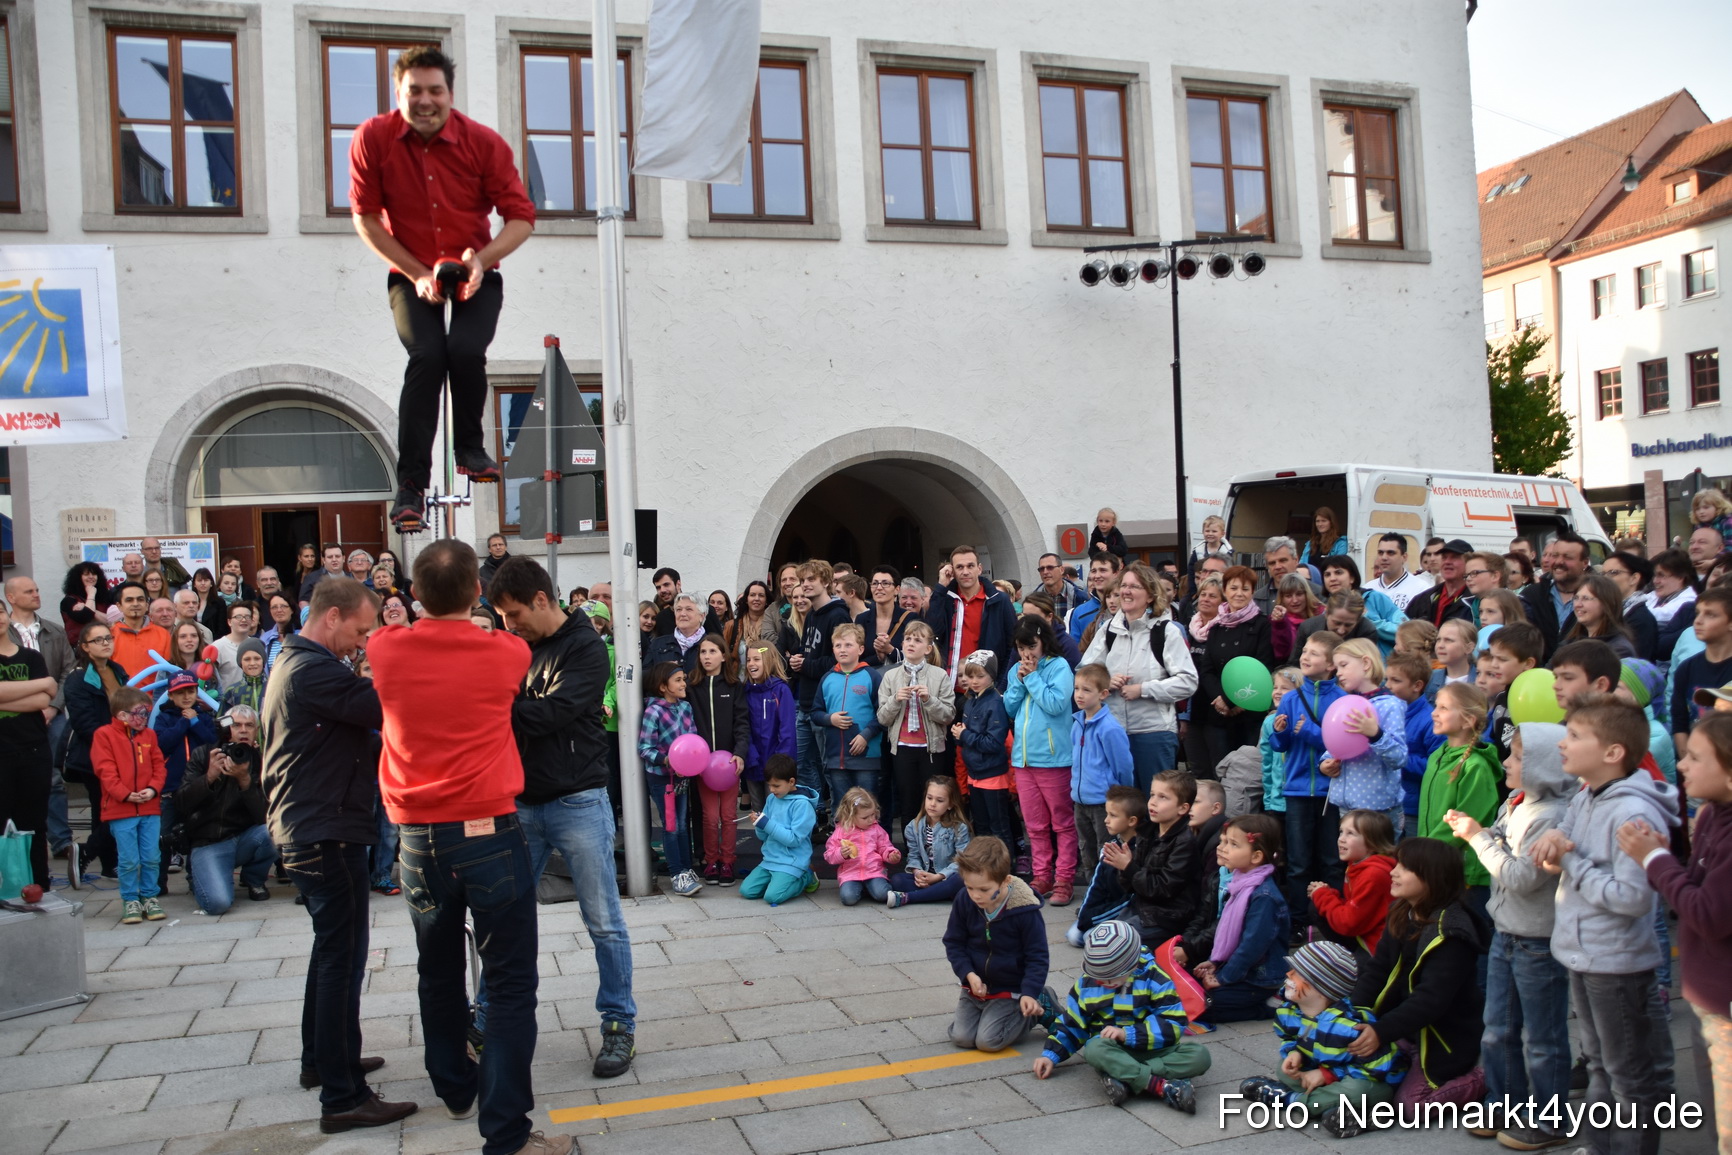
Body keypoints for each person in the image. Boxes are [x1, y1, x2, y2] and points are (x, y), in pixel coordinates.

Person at [369, 539, 564, 1155]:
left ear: (413, 595)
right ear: (479, 594)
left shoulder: (384, 648)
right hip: (487, 829)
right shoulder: (504, 651)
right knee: (509, 984)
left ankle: (455, 1087)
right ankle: (506, 1134)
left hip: (417, 838)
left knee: (436, 968)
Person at [349, 47, 534, 532]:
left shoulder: (482, 143)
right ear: (399, 93)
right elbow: (366, 218)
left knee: (466, 350)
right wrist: (415, 273)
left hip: (475, 269)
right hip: (411, 270)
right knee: (428, 356)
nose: (425, 101)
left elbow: (521, 217)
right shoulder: (374, 138)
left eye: (435, 91)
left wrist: (483, 260)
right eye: (415, 91)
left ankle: (469, 449)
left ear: (450, 93)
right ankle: (411, 485)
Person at [261, 576, 408, 1130]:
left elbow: (354, 736)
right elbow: (383, 709)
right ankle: (343, 1098)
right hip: (323, 831)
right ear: (332, 617)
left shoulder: (298, 664)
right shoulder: (314, 668)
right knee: (342, 959)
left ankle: (323, 1062)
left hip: (314, 825)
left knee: (331, 955)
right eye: (361, 630)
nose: (364, 642)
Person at [481, 556, 636, 1080]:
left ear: (542, 601)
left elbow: (551, 715)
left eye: (514, 613)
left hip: (579, 802)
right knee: (503, 918)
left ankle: (618, 1024)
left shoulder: (587, 647)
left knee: (604, 923)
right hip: (521, 802)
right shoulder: (512, 647)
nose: (508, 624)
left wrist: (489, 703)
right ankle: (483, 1020)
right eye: (501, 616)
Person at [1531, 697, 1679, 1154]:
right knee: (1598, 1063)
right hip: (1582, 950)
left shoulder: (1633, 814)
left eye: (1575, 736)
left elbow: (1634, 898)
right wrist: (1556, 838)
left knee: (1626, 1075)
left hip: (1615, 961)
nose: (1563, 743)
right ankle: (1599, 1146)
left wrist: (1571, 857)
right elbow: (1563, 843)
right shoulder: (1584, 794)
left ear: (1613, 752)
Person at [1441, 721, 1573, 1148]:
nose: (1506, 762)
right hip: (1506, 933)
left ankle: (1549, 1119)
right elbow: (1500, 837)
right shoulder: (1516, 801)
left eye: (1517, 757)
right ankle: (1505, 1104)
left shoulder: (1551, 815)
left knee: (1543, 1036)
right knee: (1497, 1027)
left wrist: (1478, 838)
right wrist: (1483, 830)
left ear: (1544, 766)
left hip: (1537, 941)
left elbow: (1520, 876)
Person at [1628, 713, 1732, 1152]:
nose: (1682, 765)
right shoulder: (1711, 815)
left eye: (1695, 757)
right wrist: (1664, 857)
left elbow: (1708, 914)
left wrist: (1655, 860)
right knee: (1715, 1117)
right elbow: (1689, 887)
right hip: (1706, 995)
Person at [1347, 837, 1490, 1107]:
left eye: (1405, 867)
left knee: (1412, 1105)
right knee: (1342, 1056)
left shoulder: (1452, 933)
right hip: (1403, 1029)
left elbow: (1430, 1001)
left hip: (1443, 1039)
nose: (1393, 871)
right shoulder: (1402, 912)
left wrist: (1381, 1031)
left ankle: (1483, 1078)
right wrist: (1352, 1017)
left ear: (1432, 877)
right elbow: (1377, 970)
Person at [1033, 919, 1208, 1112]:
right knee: (1094, 1049)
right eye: (1097, 974)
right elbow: (1072, 1024)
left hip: (1154, 1048)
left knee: (1200, 1056)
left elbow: (1173, 1023)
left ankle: (1125, 1078)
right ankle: (1160, 1085)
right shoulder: (1087, 985)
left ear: (1132, 965)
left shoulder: (1155, 979)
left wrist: (1128, 1034)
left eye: (1109, 976)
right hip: (1113, 1051)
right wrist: (1051, 1055)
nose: (1102, 981)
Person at [1239, 941, 1405, 1139]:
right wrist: (1294, 1052)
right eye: (1292, 970)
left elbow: (1376, 1068)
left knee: (1359, 1090)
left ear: (1322, 989)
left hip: (1372, 1082)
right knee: (1282, 1069)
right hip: (1324, 1069)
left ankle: (1291, 1101)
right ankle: (1335, 1110)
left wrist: (1329, 1075)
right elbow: (1289, 1037)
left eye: (1298, 974)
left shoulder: (1347, 1027)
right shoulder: (1289, 1011)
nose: (1288, 975)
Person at [1081, 563, 1196, 793]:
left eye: (1134, 586)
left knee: (1156, 807)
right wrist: (1106, 681)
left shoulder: (1166, 631)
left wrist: (1143, 689)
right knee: (1121, 810)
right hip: (1112, 732)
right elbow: (1084, 672)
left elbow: (1188, 681)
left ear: (1151, 595)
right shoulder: (1108, 630)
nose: (1126, 591)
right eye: (1124, 585)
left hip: (1153, 734)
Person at [941, 836, 1054, 1053]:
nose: (975, 895)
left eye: (983, 890)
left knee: (988, 1041)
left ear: (1005, 882)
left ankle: (1041, 1003)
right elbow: (954, 942)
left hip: (1011, 989)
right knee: (962, 1038)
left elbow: (1037, 956)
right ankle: (989, 1014)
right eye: (969, 887)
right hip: (976, 987)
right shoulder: (964, 899)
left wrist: (1029, 991)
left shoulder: (1025, 911)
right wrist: (969, 975)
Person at [1003, 617, 1078, 899]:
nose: (1027, 654)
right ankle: (1042, 876)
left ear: (1044, 641)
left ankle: (1064, 879)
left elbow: (1057, 704)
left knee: (1062, 823)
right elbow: (1009, 708)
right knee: (1034, 825)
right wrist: (1020, 680)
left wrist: (1032, 677)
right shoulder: (1016, 669)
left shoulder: (1059, 667)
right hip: (1024, 761)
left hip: (1054, 758)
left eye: (1031, 646)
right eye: (1021, 648)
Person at [1190, 813, 1290, 1023]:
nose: (1223, 848)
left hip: (1260, 978)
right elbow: (1230, 936)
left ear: (1256, 857)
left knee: (1204, 1005)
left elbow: (1251, 946)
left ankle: (1269, 1006)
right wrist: (1215, 963)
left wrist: (1223, 977)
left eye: (1233, 844)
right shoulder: (1240, 882)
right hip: (1242, 972)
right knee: (1189, 990)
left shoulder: (1264, 897)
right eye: (1224, 841)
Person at [176, 709, 275, 915]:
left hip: (243, 838)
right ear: (226, 728)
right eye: (237, 725)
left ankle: (254, 879)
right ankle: (201, 874)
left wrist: (245, 780)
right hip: (208, 843)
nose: (243, 731)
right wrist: (209, 777)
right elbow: (181, 803)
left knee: (275, 829)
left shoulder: (260, 760)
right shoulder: (204, 754)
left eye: (249, 726)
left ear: (257, 730)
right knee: (217, 904)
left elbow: (263, 816)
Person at [92, 685, 167, 924]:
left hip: (149, 807)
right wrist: (125, 794)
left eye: (146, 712)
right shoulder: (104, 735)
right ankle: (130, 900)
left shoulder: (149, 736)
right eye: (140, 712)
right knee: (128, 859)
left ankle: (149, 896)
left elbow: (159, 767)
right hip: (121, 809)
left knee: (151, 856)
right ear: (122, 715)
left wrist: (153, 789)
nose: (145, 717)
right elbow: (105, 770)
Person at [1318, 639, 1407, 835]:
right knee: (1354, 864)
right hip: (1346, 807)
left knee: (1378, 863)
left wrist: (1375, 734)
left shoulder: (1389, 706)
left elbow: (1399, 757)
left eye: (1344, 665)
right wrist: (1325, 764)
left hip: (1377, 811)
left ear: (1366, 664)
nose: (1338, 672)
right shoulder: (1347, 703)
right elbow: (1335, 744)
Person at [875, 620, 954, 831]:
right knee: (908, 803)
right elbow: (882, 718)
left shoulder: (940, 675)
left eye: (917, 640)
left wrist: (929, 700)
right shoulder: (890, 676)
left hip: (932, 750)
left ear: (928, 648)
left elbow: (948, 715)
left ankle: (934, 849)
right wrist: (895, 700)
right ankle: (912, 854)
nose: (911, 643)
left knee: (933, 803)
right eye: (908, 639)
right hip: (902, 749)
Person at [1196, 565, 1275, 772]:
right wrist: (1220, 700)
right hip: (1218, 712)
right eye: (1233, 588)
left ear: (1252, 592)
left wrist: (1235, 701)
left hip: (1249, 712)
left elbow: (1263, 666)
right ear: (1225, 590)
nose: (1239, 594)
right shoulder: (1217, 626)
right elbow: (1207, 670)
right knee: (1220, 772)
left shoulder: (1261, 625)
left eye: (1245, 589)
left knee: (1248, 774)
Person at [0, 596, 55, 889]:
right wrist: (37, 688)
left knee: (33, 821)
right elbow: (40, 690)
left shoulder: (31, 658)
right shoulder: (35, 670)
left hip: (33, 749)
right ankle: (7, 882)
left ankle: (38, 883)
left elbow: (46, 697)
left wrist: (8, 694)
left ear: (7, 615)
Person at [1108, 768, 1197, 946]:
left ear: (1183, 808)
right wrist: (1123, 867)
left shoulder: (1184, 841)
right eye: (1152, 795)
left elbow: (1162, 889)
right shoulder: (1148, 831)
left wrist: (1129, 867)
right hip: (1143, 908)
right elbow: (1130, 887)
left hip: (1168, 917)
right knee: (1096, 939)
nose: (1153, 803)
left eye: (1162, 797)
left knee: (1112, 945)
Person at [689, 634, 748, 886]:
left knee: (728, 815)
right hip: (703, 766)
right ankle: (711, 861)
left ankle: (728, 862)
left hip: (728, 765)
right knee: (710, 817)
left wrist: (740, 751)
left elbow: (742, 723)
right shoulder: (692, 687)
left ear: (724, 656)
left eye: (712, 651)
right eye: (703, 652)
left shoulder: (734, 687)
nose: (707, 657)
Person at [791, 560, 850, 806]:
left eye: (811, 580)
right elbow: (811, 653)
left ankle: (838, 821)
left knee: (830, 767)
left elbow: (839, 659)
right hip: (804, 700)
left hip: (825, 704)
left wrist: (805, 664)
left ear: (825, 582)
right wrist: (798, 660)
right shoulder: (812, 614)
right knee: (801, 762)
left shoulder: (838, 614)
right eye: (803, 580)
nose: (805, 585)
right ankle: (813, 815)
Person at [640, 660, 701, 896]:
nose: (683, 683)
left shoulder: (686, 708)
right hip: (662, 778)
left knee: (683, 824)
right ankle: (677, 873)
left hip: (683, 777)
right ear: (663, 686)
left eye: (683, 679)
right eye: (678, 680)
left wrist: (690, 761)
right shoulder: (653, 711)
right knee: (671, 825)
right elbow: (644, 748)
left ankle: (687, 868)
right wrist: (667, 759)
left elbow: (692, 738)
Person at [1068, 662, 1134, 877]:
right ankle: (1091, 897)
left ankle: (1107, 897)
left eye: (1087, 690)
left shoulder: (1110, 728)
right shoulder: (1077, 722)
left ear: (1103, 693)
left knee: (1105, 850)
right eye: (1077, 688)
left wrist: (1119, 798)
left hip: (1102, 803)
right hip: (1080, 800)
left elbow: (1123, 767)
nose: (1079, 695)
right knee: (1086, 849)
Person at [813, 623, 885, 810]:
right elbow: (815, 713)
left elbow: (884, 714)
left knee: (867, 806)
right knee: (841, 806)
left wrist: (866, 735)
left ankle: (870, 840)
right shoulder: (827, 678)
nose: (842, 649)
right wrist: (830, 719)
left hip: (866, 756)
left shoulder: (872, 676)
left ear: (861, 649)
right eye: (838, 645)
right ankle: (841, 840)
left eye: (848, 645)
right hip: (837, 757)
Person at [951, 651, 1017, 854]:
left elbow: (993, 743)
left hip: (993, 775)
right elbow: (972, 737)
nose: (974, 681)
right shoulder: (971, 701)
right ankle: (986, 869)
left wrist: (964, 735)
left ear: (992, 676)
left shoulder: (995, 702)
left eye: (980, 676)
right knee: (981, 827)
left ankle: (1006, 870)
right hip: (975, 774)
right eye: (971, 677)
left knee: (999, 829)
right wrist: (960, 733)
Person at [1308, 809, 1396, 956]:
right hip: (1364, 932)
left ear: (1373, 842)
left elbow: (1349, 924)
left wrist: (1323, 896)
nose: (1341, 839)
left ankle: (1353, 959)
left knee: (1318, 904)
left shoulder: (1373, 873)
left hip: (1376, 946)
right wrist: (1328, 894)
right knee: (1316, 905)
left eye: (1350, 833)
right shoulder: (1357, 864)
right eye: (1341, 831)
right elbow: (1355, 906)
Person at [927, 544, 1016, 689]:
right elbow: (932, 632)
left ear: (979, 568)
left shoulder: (999, 600)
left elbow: (1012, 646)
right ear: (952, 571)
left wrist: (999, 685)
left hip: (984, 689)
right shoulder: (945, 598)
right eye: (960, 567)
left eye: (970, 566)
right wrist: (941, 587)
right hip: (947, 688)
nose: (965, 571)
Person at [739, 754, 818, 905]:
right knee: (747, 891)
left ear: (791, 782)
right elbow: (763, 837)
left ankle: (806, 876)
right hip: (771, 859)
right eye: (769, 785)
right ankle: (779, 880)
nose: (771, 789)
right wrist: (759, 824)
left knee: (772, 897)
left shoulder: (802, 805)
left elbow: (793, 840)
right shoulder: (771, 799)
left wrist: (766, 824)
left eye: (776, 786)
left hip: (792, 861)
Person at [887, 775, 972, 908]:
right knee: (897, 880)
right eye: (929, 798)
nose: (932, 804)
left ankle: (909, 898)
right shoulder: (913, 827)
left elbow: (961, 861)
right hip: (926, 875)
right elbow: (913, 856)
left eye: (939, 800)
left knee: (960, 880)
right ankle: (940, 893)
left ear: (950, 804)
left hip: (946, 876)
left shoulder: (959, 828)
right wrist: (918, 873)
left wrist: (938, 877)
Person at [1516, 531, 1591, 663]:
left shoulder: (1597, 600)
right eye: (1555, 555)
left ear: (1584, 563)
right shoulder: (1530, 597)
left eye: (1568, 557)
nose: (1559, 562)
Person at [1674, 588, 1732, 754]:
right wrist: (1688, 759)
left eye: (1710, 615)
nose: (1698, 621)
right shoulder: (1687, 668)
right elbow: (1680, 722)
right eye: (1698, 613)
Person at [742, 642, 796, 813]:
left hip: (774, 767)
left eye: (757, 659)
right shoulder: (745, 691)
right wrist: (749, 753)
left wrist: (780, 765)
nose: (751, 664)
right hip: (753, 764)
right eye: (749, 659)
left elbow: (787, 731)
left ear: (769, 660)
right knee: (758, 813)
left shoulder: (780, 691)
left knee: (777, 812)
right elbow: (743, 726)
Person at [823, 786, 900, 905]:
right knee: (848, 899)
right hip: (850, 874)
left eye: (873, 815)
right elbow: (829, 855)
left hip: (873, 871)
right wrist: (840, 854)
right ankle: (864, 890)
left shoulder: (877, 830)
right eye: (865, 817)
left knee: (883, 894)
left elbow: (884, 847)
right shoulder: (842, 831)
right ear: (850, 816)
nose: (870, 820)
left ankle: (870, 888)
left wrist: (891, 854)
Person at [1560, 573, 1636, 658]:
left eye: (1586, 598)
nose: (1578, 604)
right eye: (1576, 598)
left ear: (1606, 603)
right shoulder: (1569, 643)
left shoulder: (1618, 649)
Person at [1406, 538, 1474, 628]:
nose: (1447, 562)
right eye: (1444, 557)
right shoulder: (1422, 599)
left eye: (1454, 557)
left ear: (1469, 563)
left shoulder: (1474, 602)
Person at [109, 581, 170, 679]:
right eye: (129, 600)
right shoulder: (109, 635)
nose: (135, 604)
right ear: (119, 606)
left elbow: (168, 672)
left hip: (155, 693)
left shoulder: (163, 634)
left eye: (140, 599)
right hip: (121, 693)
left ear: (147, 605)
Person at [645, 591, 710, 676]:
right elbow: (643, 677)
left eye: (688, 609)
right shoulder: (658, 644)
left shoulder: (713, 646)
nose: (682, 614)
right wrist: (662, 671)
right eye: (679, 609)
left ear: (702, 616)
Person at [1068, 552, 1123, 646]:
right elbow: (1076, 652)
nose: (1097, 576)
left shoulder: (1128, 607)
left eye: (1103, 570)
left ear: (1116, 573)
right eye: (1093, 571)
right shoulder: (1079, 612)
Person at [1370, 533, 1433, 611]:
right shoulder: (1368, 588)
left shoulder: (1421, 589)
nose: (1384, 557)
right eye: (1380, 553)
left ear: (1404, 557)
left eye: (1390, 553)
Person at [1269, 573, 1319, 664]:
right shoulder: (1277, 621)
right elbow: (1281, 653)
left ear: (1307, 594)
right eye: (1288, 596)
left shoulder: (1322, 615)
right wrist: (1280, 624)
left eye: (1299, 594)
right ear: (1282, 598)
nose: (1295, 600)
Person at [1035, 552, 1087, 623]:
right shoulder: (1033, 600)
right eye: (1041, 569)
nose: (1045, 572)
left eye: (1050, 567)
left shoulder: (1080, 598)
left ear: (1062, 570)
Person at [1188, 514, 1234, 581]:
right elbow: (1191, 571)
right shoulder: (1198, 550)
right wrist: (1192, 589)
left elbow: (1229, 572)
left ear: (1222, 534)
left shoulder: (1227, 552)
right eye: (1207, 531)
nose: (1210, 534)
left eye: (1214, 531)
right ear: (1203, 532)